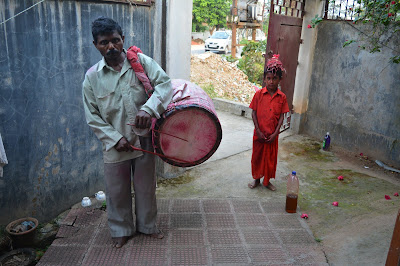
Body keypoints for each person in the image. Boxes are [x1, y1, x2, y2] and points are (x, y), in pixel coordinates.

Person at [82, 17, 173, 248]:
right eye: (104, 43)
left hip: (143, 141)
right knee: (117, 191)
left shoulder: (141, 63)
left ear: (123, 39)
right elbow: (92, 116)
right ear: (96, 45)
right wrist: (114, 138)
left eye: (115, 40)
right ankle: (121, 230)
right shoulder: (92, 77)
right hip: (115, 146)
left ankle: (148, 226)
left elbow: (165, 85)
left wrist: (149, 108)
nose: (111, 47)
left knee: (145, 188)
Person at [248, 54, 289, 191]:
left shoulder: (282, 97)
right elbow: (253, 112)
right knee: (258, 157)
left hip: (272, 136)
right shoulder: (258, 95)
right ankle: (257, 179)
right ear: (265, 79)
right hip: (259, 135)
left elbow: (282, 116)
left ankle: (267, 181)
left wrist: (276, 133)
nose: (271, 82)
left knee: (270, 160)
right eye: (268, 78)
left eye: (274, 78)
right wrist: (258, 131)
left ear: (279, 80)